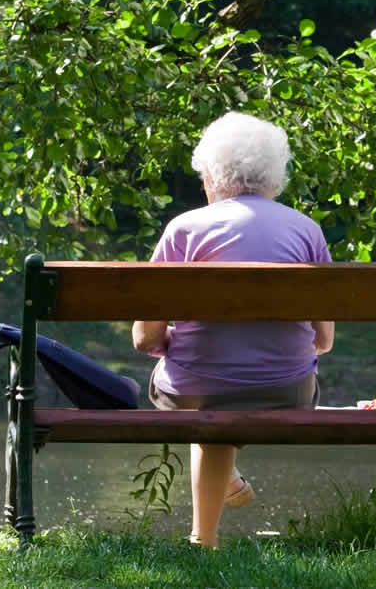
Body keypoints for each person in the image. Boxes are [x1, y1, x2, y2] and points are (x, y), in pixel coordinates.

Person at [132, 111, 334, 548]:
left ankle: (203, 537)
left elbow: (145, 337)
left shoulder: (183, 229)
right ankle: (210, 517)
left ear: (213, 175)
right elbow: (325, 339)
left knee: (203, 384)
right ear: (274, 177)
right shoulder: (307, 231)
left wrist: (171, 344)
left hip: (194, 390)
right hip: (289, 390)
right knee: (218, 383)